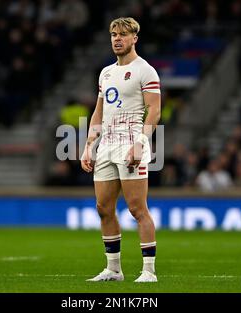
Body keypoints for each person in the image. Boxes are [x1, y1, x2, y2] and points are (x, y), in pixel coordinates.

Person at [80, 17, 161, 283]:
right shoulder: (106, 73)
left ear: (134, 38)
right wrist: (89, 145)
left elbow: (154, 111)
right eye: (114, 34)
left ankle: (148, 271)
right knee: (103, 207)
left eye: (123, 35)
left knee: (138, 209)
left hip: (130, 142)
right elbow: (98, 112)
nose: (117, 38)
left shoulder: (145, 70)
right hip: (107, 145)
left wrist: (141, 142)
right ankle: (114, 270)